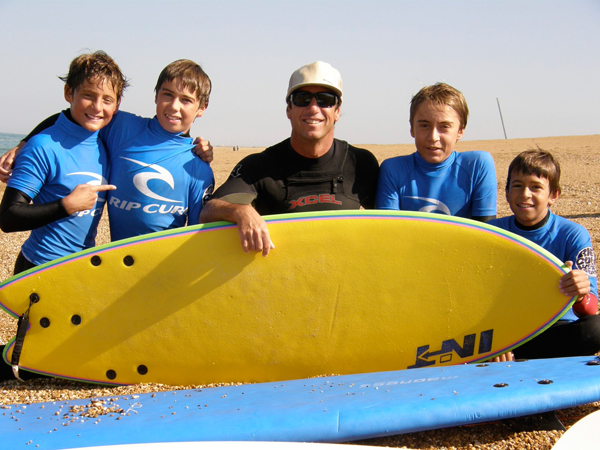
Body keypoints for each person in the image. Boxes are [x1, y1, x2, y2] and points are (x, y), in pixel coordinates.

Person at [2, 59, 215, 248]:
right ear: (156, 96)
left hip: (160, 272)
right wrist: (24, 144)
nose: (174, 106)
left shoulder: (197, 166)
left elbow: (198, 237)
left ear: (202, 108)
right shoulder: (122, 127)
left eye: (186, 100)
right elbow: (69, 118)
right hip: (113, 265)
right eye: (167, 94)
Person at [199, 61, 380, 256]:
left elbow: (393, 222)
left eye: (325, 99)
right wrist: (239, 211)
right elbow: (208, 212)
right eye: (302, 99)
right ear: (289, 110)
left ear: (337, 111)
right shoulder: (260, 167)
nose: (313, 108)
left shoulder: (360, 163)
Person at [0, 51, 126, 273]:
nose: (97, 107)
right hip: (39, 267)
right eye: (88, 95)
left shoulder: (106, 140)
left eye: (107, 99)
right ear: (69, 92)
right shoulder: (42, 147)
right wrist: (66, 206)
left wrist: (199, 145)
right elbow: (8, 217)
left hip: (82, 266)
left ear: (117, 104)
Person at [489, 149, 599, 360]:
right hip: (507, 329)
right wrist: (496, 344)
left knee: (596, 329)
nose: (525, 195)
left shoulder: (573, 235)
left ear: (553, 195)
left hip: (556, 329)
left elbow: (590, 309)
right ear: (507, 193)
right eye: (518, 186)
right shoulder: (492, 233)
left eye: (536, 187)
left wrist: (581, 293)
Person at [375, 83, 496, 222]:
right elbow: (389, 230)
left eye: (444, 127)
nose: (433, 137)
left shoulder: (477, 165)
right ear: (412, 128)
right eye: (424, 125)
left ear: (460, 130)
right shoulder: (394, 169)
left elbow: (486, 231)